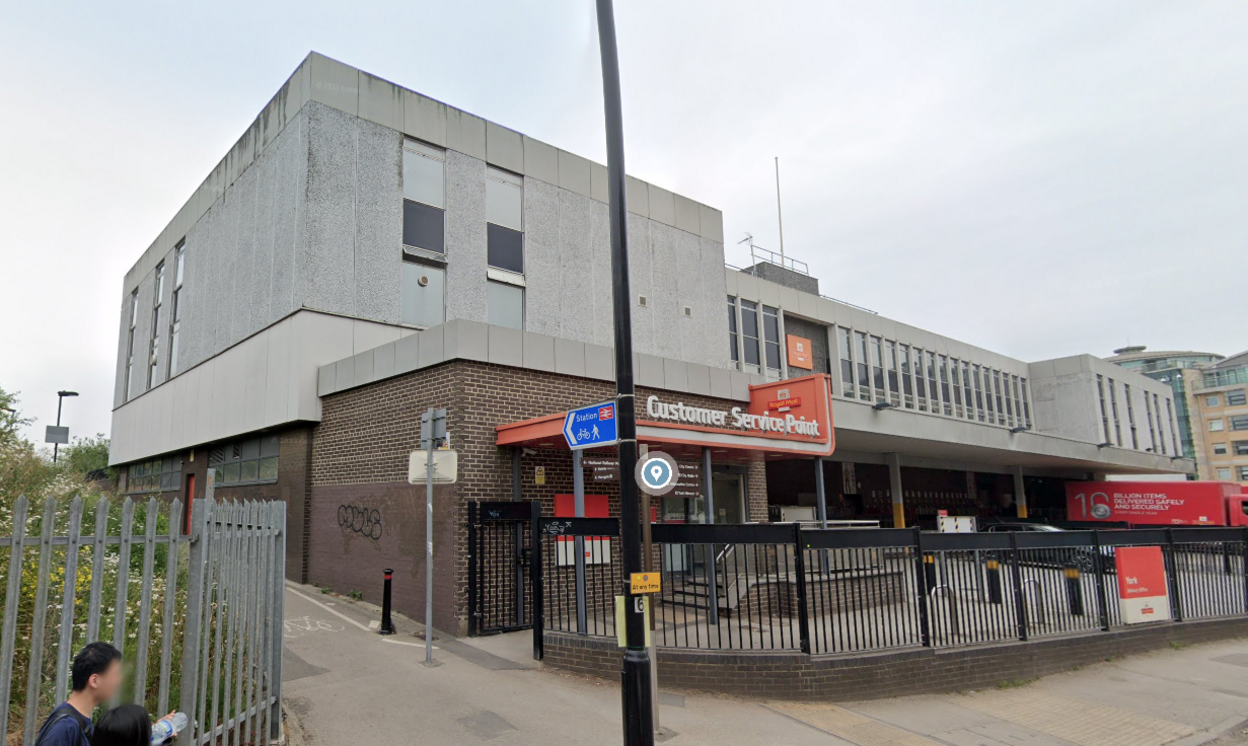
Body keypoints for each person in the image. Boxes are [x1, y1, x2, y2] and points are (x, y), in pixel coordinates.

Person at [33, 641, 123, 746]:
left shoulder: (77, 723)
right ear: (94, 681)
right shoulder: (65, 727)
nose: (119, 680)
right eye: (115, 674)